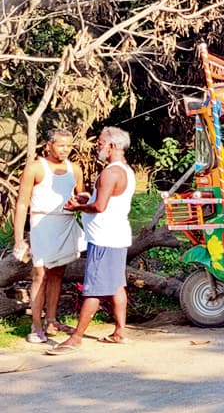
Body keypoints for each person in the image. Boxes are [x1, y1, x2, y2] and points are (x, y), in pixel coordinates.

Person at [49, 127, 136, 355]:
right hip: (116, 236)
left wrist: (79, 206)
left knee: (95, 288)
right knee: (116, 285)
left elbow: (100, 207)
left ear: (112, 146)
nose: (97, 146)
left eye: (100, 142)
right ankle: (119, 332)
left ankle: (76, 338)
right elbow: (104, 200)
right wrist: (89, 197)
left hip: (104, 238)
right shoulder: (125, 170)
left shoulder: (110, 173)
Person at [13, 129, 83, 343]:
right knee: (40, 274)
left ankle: (51, 320)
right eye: (61, 145)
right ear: (49, 145)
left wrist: (81, 201)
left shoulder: (75, 169)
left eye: (69, 146)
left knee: (57, 273)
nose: (65, 150)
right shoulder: (35, 167)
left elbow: (81, 197)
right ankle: (36, 326)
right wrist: (18, 239)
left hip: (65, 223)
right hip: (41, 224)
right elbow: (22, 203)